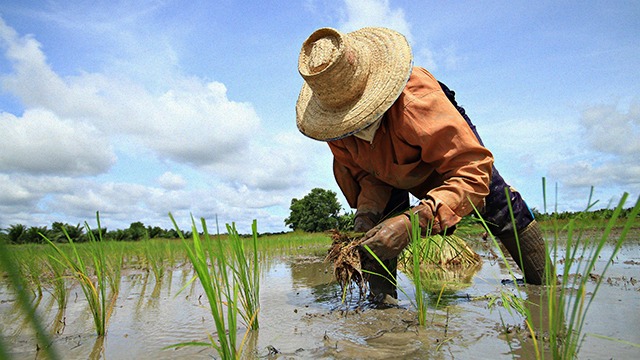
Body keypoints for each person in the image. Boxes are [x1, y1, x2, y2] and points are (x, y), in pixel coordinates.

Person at [295, 27, 552, 301]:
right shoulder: (337, 132)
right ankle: (383, 304)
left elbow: (471, 171)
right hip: (390, 169)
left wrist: (413, 223)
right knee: (380, 225)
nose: (355, 126)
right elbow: (370, 177)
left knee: (498, 203)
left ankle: (546, 289)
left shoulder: (416, 101)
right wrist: (366, 215)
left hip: (440, 154)